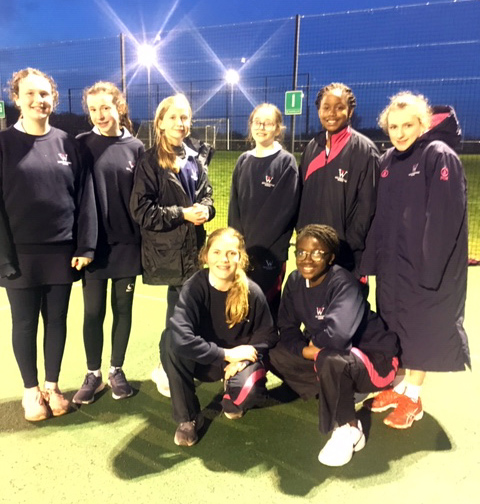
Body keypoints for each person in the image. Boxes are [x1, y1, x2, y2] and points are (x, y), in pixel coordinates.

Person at [360, 92, 470, 429]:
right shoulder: (388, 160)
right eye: (393, 126)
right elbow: (380, 216)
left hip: (423, 266)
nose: (400, 133)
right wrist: (370, 261)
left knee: (421, 330)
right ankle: (400, 388)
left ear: (422, 124)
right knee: (396, 326)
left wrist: (429, 267)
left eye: (407, 125)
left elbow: (445, 217)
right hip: (393, 266)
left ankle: (414, 397)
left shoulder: (438, 155)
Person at [0, 68, 96, 421]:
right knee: (25, 323)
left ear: (53, 99)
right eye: (30, 93)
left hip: (61, 252)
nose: (38, 100)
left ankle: (52, 387)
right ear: (16, 99)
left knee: (56, 321)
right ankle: (31, 391)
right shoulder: (3, 144)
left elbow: (85, 198)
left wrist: (84, 247)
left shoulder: (69, 144)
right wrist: (3, 257)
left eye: (44, 94)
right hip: (19, 255)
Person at [269, 224, 398, 466]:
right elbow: (286, 328)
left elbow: (338, 337)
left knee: (330, 357)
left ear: (330, 258)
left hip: (376, 360)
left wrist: (314, 347)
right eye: (301, 252)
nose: (307, 259)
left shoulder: (344, 283)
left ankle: (348, 427)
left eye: (317, 253)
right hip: (328, 355)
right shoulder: (295, 281)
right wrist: (304, 350)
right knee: (273, 351)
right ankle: (337, 390)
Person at [159, 227, 278, 446]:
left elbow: (268, 334)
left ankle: (231, 393)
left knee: (246, 392)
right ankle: (188, 418)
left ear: (241, 258)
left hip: (235, 363)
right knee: (169, 340)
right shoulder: (194, 286)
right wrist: (225, 354)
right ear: (205, 255)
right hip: (204, 360)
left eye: (232, 253)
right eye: (217, 252)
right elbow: (180, 337)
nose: (224, 259)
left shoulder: (252, 291)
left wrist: (242, 360)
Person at [129, 93, 215, 388]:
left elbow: (207, 195)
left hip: (194, 249)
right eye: (174, 117)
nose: (180, 123)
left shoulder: (195, 157)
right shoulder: (149, 161)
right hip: (169, 252)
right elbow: (142, 211)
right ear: (160, 123)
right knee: (178, 314)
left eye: (185, 117)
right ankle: (168, 369)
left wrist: (207, 210)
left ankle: (185, 364)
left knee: (192, 309)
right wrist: (183, 214)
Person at [73, 82, 145, 405]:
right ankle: (93, 374)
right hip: (94, 247)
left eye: (105, 107)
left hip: (128, 245)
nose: (100, 115)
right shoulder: (81, 144)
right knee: (93, 312)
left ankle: (116, 370)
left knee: (123, 309)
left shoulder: (136, 147)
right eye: (93, 109)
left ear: (120, 107)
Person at [296, 82, 379, 276]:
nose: (331, 113)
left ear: (350, 112)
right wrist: (302, 234)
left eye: (339, 107)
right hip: (311, 252)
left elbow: (367, 208)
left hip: (346, 255)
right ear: (319, 111)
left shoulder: (365, 151)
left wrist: (347, 246)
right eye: (326, 107)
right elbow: (302, 196)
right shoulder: (311, 147)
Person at [228, 103, 300, 319]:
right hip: (243, 251)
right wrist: (236, 243)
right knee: (241, 306)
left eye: (268, 123)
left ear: (278, 129)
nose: (261, 127)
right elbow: (234, 207)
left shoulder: (286, 162)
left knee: (266, 310)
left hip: (270, 254)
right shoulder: (243, 160)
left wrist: (255, 246)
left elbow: (284, 212)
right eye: (257, 122)